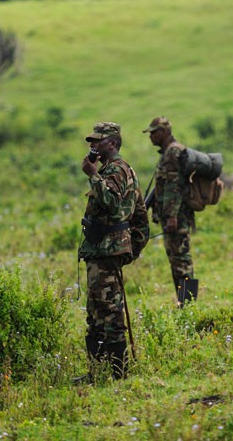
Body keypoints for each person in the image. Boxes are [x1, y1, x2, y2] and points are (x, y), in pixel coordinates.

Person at [78, 122, 145, 380]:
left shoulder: (117, 170)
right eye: (91, 142)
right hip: (99, 250)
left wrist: (92, 174)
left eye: (98, 141)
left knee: (109, 312)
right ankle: (96, 372)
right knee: (95, 313)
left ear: (113, 144)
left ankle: (119, 373)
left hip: (107, 251)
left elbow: (112, 202)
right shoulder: (110, 170)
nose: (93, 145)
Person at [143, 116, 198, 305]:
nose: (151, 136)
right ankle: (184, 302)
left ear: (165, 132)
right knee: (176, 261)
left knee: (182, 261)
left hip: (177, 218)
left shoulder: (173, 153)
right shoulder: (167, 152)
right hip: (172, 217)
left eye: (154, 132)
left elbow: (174, 186)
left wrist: (172, 216)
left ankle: (189, 304)